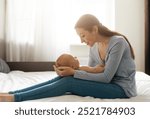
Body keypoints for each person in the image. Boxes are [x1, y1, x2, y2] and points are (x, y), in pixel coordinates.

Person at [0, 14, 137, 102]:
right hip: (108, 84)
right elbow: (88, 72)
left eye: (83, 35)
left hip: (121, 88)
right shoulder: (94, 47)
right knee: (65, 78)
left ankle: (15, 98)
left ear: (94, 29)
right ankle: (12, 92)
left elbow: (106, 77)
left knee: (68, 83)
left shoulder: (117, 42)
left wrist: (74, 72)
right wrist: (70, 72)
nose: (82, 41)